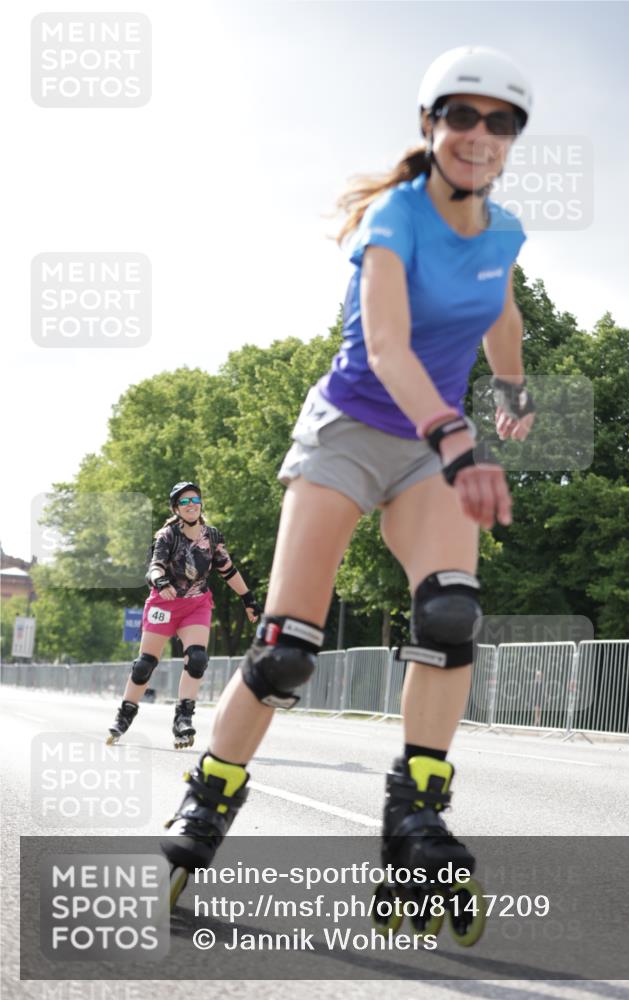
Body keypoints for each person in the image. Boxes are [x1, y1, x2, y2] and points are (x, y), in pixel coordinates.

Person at [162, 45, 536, 916]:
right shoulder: (392, 219)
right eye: (462, 116)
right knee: (287, 648)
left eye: (501, 122)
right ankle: (207, 804)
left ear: (514, 138)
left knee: (450, 614)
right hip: (349, 431)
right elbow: (386, 347)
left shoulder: (504, 232)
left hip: (427, 452)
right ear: (429, 125)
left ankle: (415, 825)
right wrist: (456, 433)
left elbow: (502, 311)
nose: (480, 136)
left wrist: (511, 389)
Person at [107, 481, 260, 748]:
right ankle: (125, 715)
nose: (191, 505)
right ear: (176, 508)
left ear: (201, 504)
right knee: (145, 664)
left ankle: (183, 718)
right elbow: (155, 566)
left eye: (195, 500)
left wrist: (248, 598)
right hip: (163, 605)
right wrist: (161, 582)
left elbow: (228, 570)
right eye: (185, 502)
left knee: (197, 658)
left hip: (196, 604)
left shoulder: (212, 536)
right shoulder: (168, 535)